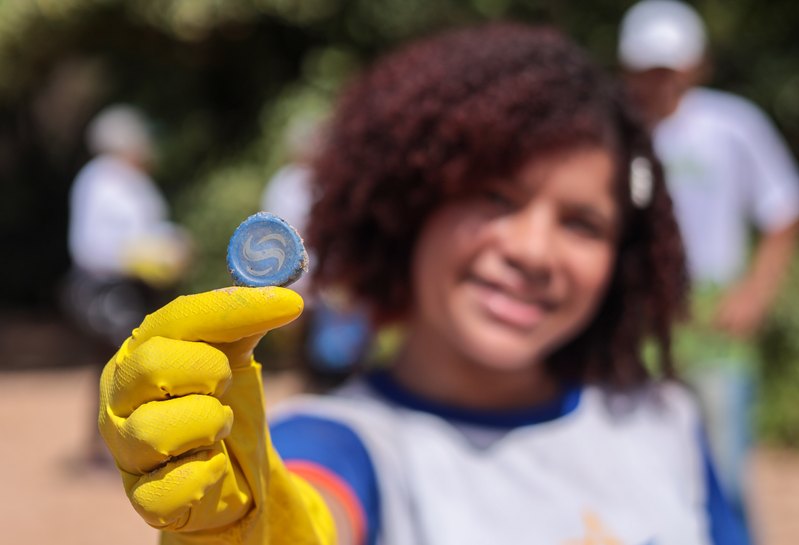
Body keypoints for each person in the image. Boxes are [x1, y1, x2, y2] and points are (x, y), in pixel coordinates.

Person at [98, 24, 750, 545]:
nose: (530, 250)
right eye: (494, 197)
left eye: (581, 222)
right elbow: (308, 499)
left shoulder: (665, 421)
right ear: (411, 207)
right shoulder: (341, 443)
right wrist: (258, 530)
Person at [618, 0, 799, 524]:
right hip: (636, 317)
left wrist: (756, 292)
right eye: (646, 69)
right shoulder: (616, 132)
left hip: (712, 315)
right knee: (634, 464)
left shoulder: (731, 125)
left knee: (723, 466)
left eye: (668, 69)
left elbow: (786, 205)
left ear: (694, 66)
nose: (658, 82)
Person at [64, 104, 190, 465]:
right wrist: (142, 255)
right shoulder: (99, 179)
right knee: (119, 365)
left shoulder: (134, 182)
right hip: (104, 289)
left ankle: (119, 441)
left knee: (124, 366)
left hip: (133, 288)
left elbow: (149, 230)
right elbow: (91, 245)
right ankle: (108, 444)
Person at [261, 119, 372, 382]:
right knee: (298, 331)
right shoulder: (287, 182)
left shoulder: (334, 180)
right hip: (297, 272)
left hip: (330, 272)